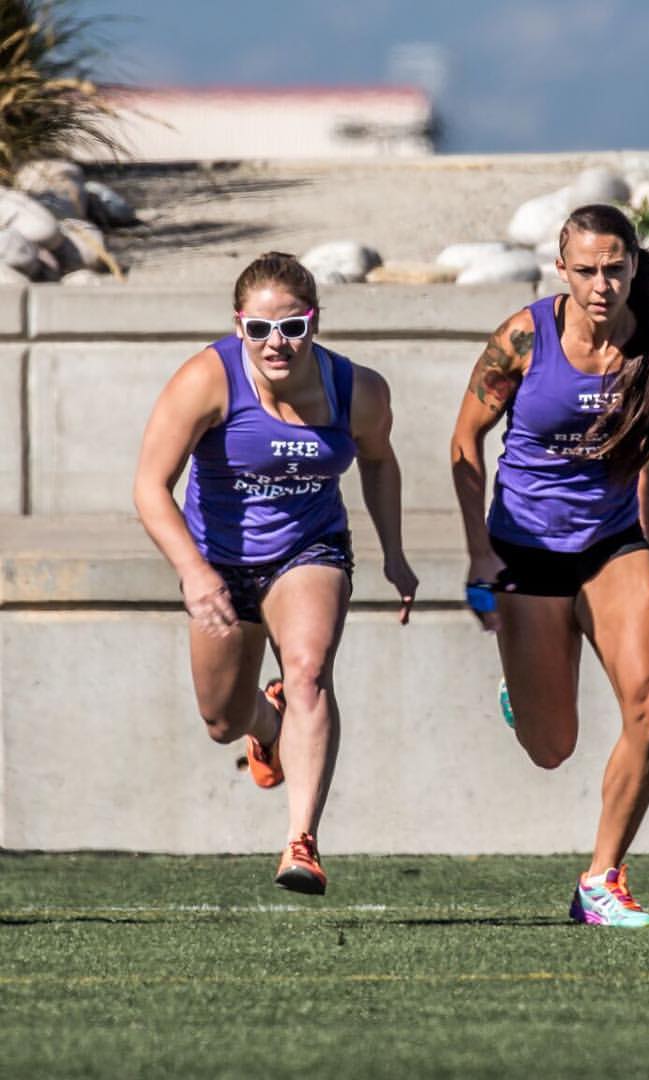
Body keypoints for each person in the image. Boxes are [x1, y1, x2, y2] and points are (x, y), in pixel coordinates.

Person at [450, 204, 649, 928]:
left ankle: (601, 879)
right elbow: (464, 441)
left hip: (612, 543)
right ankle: (524, 689)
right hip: (525, 549)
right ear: (562, 270)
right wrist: (479, 552)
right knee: (553, 748)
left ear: (635, 267)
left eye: (615, 268)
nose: (602, 285)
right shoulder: (524, 336)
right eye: (586, 271)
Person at [133, 251, 417, 896]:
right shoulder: (206, 380)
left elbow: (378, 460)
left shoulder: (358, 389)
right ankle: (267, 723)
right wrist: (195, 572)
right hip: (219, 563)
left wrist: (393, 552)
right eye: (259, 330)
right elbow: (151, 487)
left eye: (291, 327)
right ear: (239, 328)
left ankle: (301, 842)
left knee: (311, 669)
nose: (275, 344)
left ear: (314, 322)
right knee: (220, 721)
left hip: (308, 550)